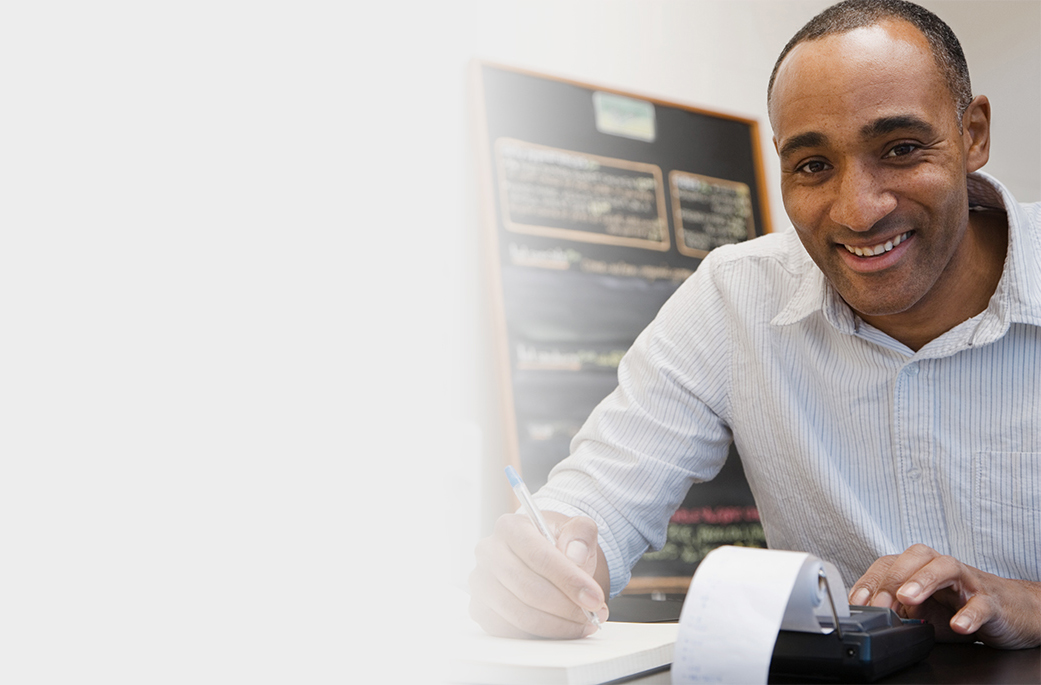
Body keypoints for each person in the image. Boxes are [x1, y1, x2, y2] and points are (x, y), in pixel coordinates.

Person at [468, 0, 1041, 650]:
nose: (857, 210)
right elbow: (600, 497)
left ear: (973, 134)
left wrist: (1029, 602)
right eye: (812, 165)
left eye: (901, 148)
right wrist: (546, 565)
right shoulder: (733, 296)